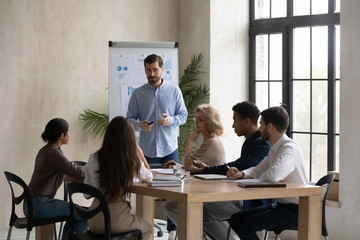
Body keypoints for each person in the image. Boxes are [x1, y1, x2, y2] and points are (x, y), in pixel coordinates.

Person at [165, 101, 271, 240]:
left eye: (235, 120)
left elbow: (240, 165)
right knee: (182, 208)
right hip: (240, 194)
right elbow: (237, 166)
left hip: (252, 200)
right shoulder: (251, 141)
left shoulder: (260, 143)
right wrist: (205, 168)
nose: (233, 125)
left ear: (247, 121)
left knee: (203, 213)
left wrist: (204, 169)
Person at [126, 53, 188, 237]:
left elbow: (183, 115)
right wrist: (139, 125)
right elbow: (129, 119)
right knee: (144, 190)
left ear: (162, 69)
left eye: (155, 69)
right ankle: (146, 229)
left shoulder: (174, 91)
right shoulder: (138, 93)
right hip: (147, 151)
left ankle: (172, 230)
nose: (151, 73)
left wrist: (171, 120)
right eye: (148, 70)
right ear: (144, 70)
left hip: (169, 150)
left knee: (174, 192)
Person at [228, 106, 308, 240]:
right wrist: (241, 174)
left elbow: (273, 176)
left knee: (243, 224)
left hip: (296, 210)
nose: (259, 129)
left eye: (261, 124)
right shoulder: (275, 149)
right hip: (282, 206)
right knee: (236, 219)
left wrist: (260, 176)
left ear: (270, 127)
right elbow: (257, 169)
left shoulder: (289, 149)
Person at [82, 116, 153, 240]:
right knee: (146, 228)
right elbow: (149, 176)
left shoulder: (94, 158)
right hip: (115, 219)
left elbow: (86, 194)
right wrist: (140, 152)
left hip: (94, 220)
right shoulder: (130, 161)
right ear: (130, 139)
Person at [26, 118, 87, 240]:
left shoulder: (47, 150)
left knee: (77, 214)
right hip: (39, 206)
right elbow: (79, 174)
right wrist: (96, 168)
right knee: (83, 214)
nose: (70, 135)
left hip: (31, 204)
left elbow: (70, 167)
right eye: (69, 132)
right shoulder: (54, 154)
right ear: (61, 135)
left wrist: (86, 167)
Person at [164, 103, 226, 170]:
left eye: (200, 120)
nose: (196, 123)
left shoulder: (211, 142)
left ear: (210, 122)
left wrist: (190, 142)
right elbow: (193, 166)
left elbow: (188, 167)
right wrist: (178, 166)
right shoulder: (214, 139)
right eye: (195, 119)